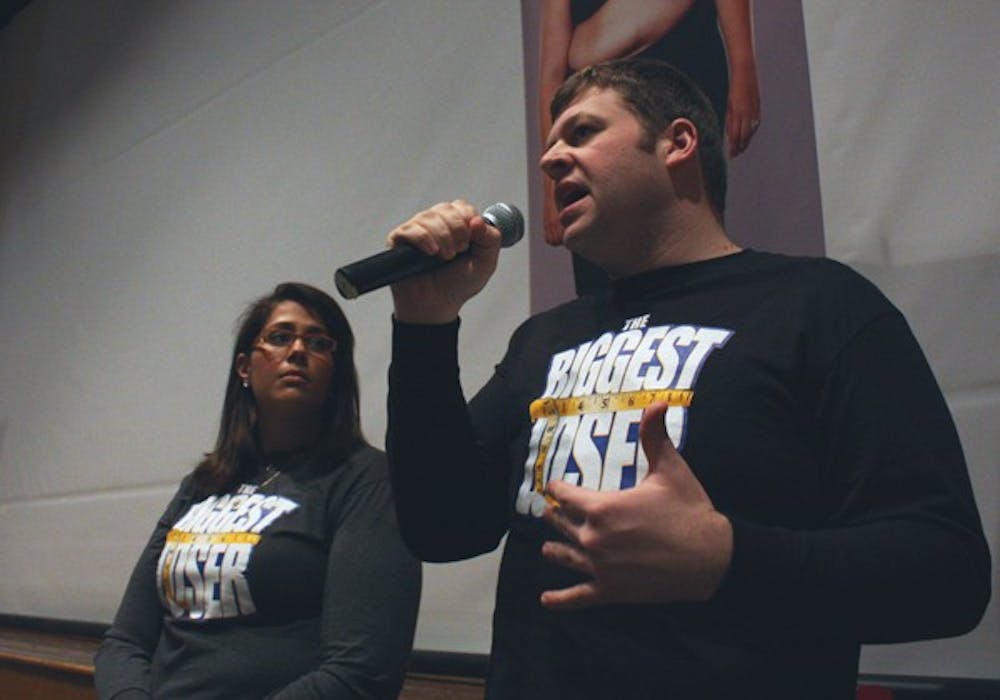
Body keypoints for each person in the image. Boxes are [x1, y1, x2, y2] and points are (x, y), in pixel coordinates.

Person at [383, 59, 990, 698]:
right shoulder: (546, 339)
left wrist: (727, 558)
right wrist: (425, 324)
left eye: (582, 132)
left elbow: (947, 577)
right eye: (550, 144)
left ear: (678, 142)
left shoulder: (819, 305)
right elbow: (441, 528)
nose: (551, 160)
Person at [95, 282, 421, 699]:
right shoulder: (202, 485)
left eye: (319, 342)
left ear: (335, 372)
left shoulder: (367, 479)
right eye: (281, 337)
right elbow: (125, 641)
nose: (299, 350)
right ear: (245, 367)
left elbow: (360, 672)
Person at [538, 0, 761, 295]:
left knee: (689, 205)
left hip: (684, 62)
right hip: (594, 100)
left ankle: (700, 313)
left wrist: (744, 66)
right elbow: (552, 71)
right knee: (597, 229)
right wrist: (550, 185)